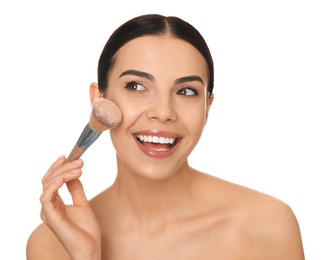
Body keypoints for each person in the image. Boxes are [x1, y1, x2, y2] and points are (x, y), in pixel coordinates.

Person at [26, 14, 305, 259]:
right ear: (98, 100)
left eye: (186, 91)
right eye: (136, 86)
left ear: (207, 108)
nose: (163, 112)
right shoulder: (52, 242)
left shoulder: (266, 226)